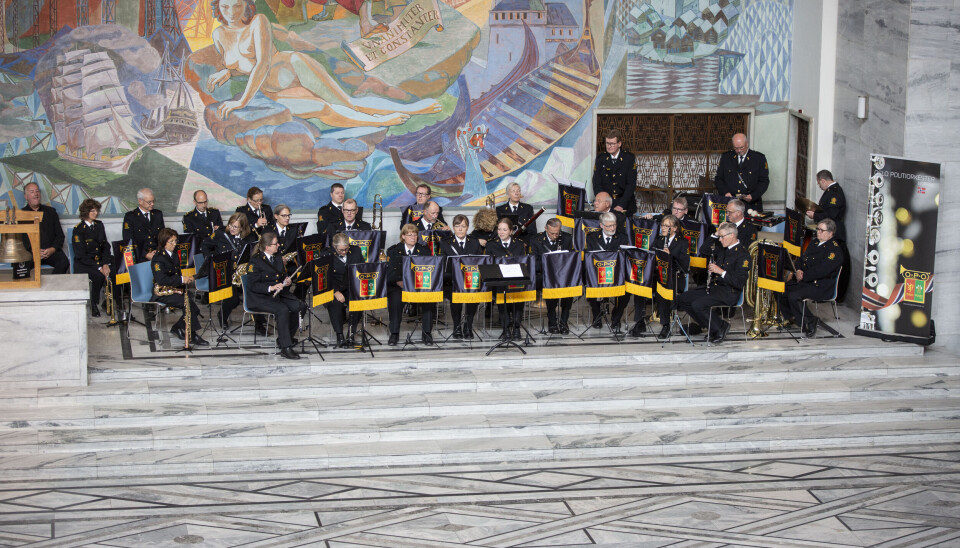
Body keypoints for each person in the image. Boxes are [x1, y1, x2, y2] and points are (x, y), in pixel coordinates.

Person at [207, 0, 441, 125]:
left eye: (236, 5)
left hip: (291, 66)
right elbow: (246, 66)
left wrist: (241, 102)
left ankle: (410, 108)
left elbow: (262, 64)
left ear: (246, 6)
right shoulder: (218, 36)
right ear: (218, 7)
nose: (231, 12)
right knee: (324, 110)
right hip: (271, 89)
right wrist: (228, 72)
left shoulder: (258, 22)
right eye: (225, 6)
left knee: (347, 102)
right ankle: (378, 122)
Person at [676, 222, 749, 344]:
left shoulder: (743, 255)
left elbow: (739, 282)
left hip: (729, 292)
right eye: (719, 237)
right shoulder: (722, 247)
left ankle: (720, 327)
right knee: (683, 299)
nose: (720, 240)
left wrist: (721, 272)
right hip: (714, 287)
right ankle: (712, 326)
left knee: (698, 305)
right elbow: (703, 249)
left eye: (722, 237)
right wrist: (716, 233)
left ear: (732, 235)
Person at [779, 219, 844, 338]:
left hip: (820, 285)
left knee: (794, 295)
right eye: (818, 229)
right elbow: (801, 259)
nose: (818, 232)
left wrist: (803, 276)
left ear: (830, 233)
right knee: (780, 289)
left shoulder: (834, 251)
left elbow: (821, 270)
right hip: (806, 280)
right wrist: (798, 270)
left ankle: (810, 321)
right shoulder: (814, 243)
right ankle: (792, 317)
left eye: (821, 230)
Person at [245, 231, 305, 359]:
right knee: (282, 309)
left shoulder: (277, 257)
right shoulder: (255, 262)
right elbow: (252, 285)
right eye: (275, 243)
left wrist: (286, 281)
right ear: (267, 247)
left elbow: (281, 276)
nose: (278, 245)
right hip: (260, 297)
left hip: (277, 294)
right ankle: (285, 347)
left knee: (300, 306)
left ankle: (285, 337)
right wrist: (270, 288)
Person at [634, 215, 690, 339]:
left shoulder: (682, 242)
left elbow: (685, 265)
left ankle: (665, 325)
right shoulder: (659, 240)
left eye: (667, 226)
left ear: (675, 228)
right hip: (658, 275)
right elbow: (650, 257)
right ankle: (640, 321)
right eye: (662, 225)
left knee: (662, 291)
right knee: (640, 288)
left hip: (674, 278)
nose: (663, 228)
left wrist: (670, 256)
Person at [151, 228, 209, 346]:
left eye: (175, 241)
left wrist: (185, 279)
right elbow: (162, 280)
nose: (174, 244)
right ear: (163, 242)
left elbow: (176, 273)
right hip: (162, 292)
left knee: (194, 308)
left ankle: (178, 327)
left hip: (174, 288)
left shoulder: (173, 254)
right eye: (171, 242)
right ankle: (192, 335)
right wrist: (182, 279)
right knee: (188, 305)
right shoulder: (158, 259)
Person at [201, 212, 258, 329]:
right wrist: (213, 259)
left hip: (241, 273)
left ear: (242, 228)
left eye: (235, 227)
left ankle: (259, 323)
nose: (232, 229)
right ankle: (222, 315)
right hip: (223, 273)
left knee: (257, 291)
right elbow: (205, 246)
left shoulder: (250, 237)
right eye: (230, 225)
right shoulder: (220, 234)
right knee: (233, 299)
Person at [385, 224, 436, 346]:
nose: (413, 237)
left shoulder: (424, 250)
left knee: (429, 299)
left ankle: (427, 333)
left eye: (415, 235)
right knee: (395, 299)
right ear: (403, 236)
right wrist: (400, 282)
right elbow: (390, 272)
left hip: (419, 286)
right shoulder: (393, 251)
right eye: (409, 235)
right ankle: (394, 333)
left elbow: (429, 270)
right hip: (399, 285)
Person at [440, 214, 483, 339]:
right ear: (453, 227)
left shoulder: (474, 242)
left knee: (474, 291)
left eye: (463, 226)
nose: (460, 229)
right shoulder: (445, 243)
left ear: (467, 228)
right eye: (457, 226)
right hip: (452, 280)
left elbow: (479, 263)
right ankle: (457, 326)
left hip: (470, 280)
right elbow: (443, 265)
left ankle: (468, 326)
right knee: (455, 293)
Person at [807, 169, 849, 300]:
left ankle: (833, 294)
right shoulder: (830, 191)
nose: (819, 186)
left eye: (819, 183)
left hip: (835, 232)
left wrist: (815, 216)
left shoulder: (835, 193)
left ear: (823, 180)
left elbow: (832, 215)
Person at [585, 212, 629, 332]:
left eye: (614, 225)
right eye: (609, 226)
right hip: (598, 272)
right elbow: (589, 258)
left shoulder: (622, 237)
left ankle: (616, 317)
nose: (612, 228)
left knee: (626, 291)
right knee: (590, 283)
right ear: (601, 225)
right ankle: (597, 315)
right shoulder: (592, 237)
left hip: (616, 273)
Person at [529, 218, 574, 334]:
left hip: (562, 275)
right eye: (551, 233)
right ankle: (552, 322)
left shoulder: (567, 238)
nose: (554, 236)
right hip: (544, 274)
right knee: (550, 285)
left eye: (557, 233)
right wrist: (549, 264)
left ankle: (564, 322)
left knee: (570, 286)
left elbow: (570, 259)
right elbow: (534, 263)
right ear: (546, 229)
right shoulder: (536, 240)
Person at [485, 217, 528, 340]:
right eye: (499, 229)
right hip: (500, 280)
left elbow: (523, 262)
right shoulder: (491, 244)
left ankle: (516, 328)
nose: (501, 232)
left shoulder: (519, 244)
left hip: (516, 279)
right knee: (502, 298)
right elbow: (489, 264)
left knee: (518, 300)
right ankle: (506, 329)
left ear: (510, 231)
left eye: (504, 230)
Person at [324, 232, 365, 347]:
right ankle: (340, 335)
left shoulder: (356, 251)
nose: (344, 252)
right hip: (333, 287)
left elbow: (362, 268)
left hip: (351, 286)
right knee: (335, 303)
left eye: (346, 249)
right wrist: (335, 292)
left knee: (358, 301)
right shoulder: (326, 254)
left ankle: (351, 333)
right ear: (334, 246)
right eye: (341, 250)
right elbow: (324, 277)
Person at [72, 198, 112, 317]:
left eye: (97, 210)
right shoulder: (78, 229)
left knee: (117, 270)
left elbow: (105, 246)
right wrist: (99, 267)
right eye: (93, 211)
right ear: (86, 212)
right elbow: (81, 255)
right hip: (84, 263)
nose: (96, 213)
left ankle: (107, 302)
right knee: (99, 276)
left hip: (100, 260)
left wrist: (105, 263)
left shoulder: (99, 225)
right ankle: (93, 303)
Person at [20, 182, 69, 274]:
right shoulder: (21, 214)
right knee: (20, 267)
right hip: (30, 253)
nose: (36, 194)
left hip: (50, 251)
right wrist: (34, 251)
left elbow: (60, 235)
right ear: (26, 196)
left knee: (64, 262)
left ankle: (51, 283)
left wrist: (52, 249)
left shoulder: (51, 212)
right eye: (32, 192)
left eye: (37, 191)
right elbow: (22, 239)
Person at [714, 133, 769, 212]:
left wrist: (753, 196)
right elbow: (718, 179)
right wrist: (725, 192)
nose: (739, 150)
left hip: (751, 205)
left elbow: (764, 181)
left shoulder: (759, 158)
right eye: (736, 148)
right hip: (731, 204)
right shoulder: (726, 157)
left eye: (741, 147)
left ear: (747, 144)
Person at [592, 129, 637, 215]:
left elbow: (631, 185)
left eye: (612, 144)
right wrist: (603, 202)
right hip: (606, 206)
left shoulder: (629, 158)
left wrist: (621, 205)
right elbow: (596, 183)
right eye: (607, 143)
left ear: (619, 144)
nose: (609, 146)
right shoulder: (601, 159)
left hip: (625, 205)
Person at [122, 188, 165, 262]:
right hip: (140, 257)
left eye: (153, 201)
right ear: (140, 201)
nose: (152, 204)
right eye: (149, 202)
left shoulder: (158, 214)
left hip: (157, 255)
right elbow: (128, 241)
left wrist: (158, 251)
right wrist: (145, 254)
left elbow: (163, 236)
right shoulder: (130, 217)